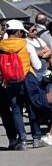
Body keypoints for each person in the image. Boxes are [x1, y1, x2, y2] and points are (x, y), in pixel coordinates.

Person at [0, 21, 36, 149]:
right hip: (22, 78)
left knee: (10, 110)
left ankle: (18, 139)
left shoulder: (1, 45)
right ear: (19, 32)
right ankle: (34, 137)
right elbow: (36, 64)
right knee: (29, 106)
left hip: (6, 81)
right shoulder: (24, 44)